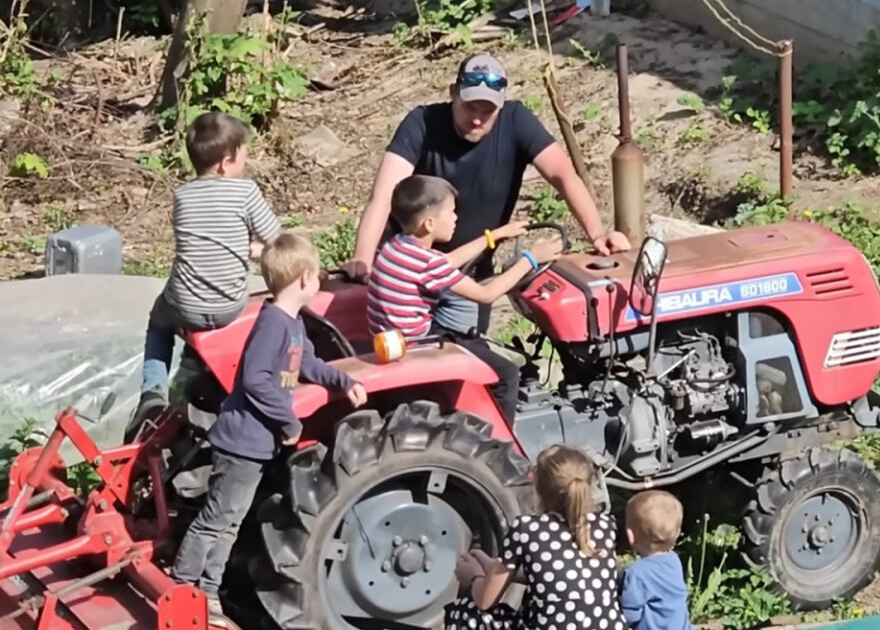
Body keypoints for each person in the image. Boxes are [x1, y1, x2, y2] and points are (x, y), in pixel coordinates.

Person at [343, 51, 631, 337]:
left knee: (472, 358)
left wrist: (597, 235)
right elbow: (383, 196)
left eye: (487, 111)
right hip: (410, 275)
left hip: (469, 274)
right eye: (471, 107)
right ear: (454, 93)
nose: (478, 119)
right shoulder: (422, 122)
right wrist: (363, 258)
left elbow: (563, 176)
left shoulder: (517, 120)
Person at [169, 232, 367, 628]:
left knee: (230, 522)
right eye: (318, 275)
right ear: (305, 278)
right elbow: (257, 380)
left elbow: (308, 365)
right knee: (217, 519)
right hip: (242, 441)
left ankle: (206, 592)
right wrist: (288, 420)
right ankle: (183, 586)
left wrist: (345, 382)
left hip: (256, 445)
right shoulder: (272, 325)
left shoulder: (293, 324)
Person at [367, 175, 561, 425]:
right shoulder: (426, 262)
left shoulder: (397, 246)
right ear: (429, 223)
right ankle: (502, 450)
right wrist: (531, 259)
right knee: (506, 374)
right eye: (451, 212)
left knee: (474, 341)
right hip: (419, 343)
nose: (456, 217)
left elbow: (447, 262)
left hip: (398, 337)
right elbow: (486, 295)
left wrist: (496, 236)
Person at [134, 111, 283, 429]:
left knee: (159, 322)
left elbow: (206, 243)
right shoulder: (245, 192)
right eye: (244, 154)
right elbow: (278, 242)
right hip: (228, 305)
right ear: (225, 162)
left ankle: (152, 392)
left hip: (185, 302)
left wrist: (245, 248)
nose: (247, 161)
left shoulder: (182, 197)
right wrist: (260, 250)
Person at [446, 444, 627, 630]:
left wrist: (473, 576)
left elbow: (485, 601)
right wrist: (487, 562)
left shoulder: (526, 528)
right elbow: (559, 573)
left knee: (466, 611)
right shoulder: (606, 525)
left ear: (539, 486)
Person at [621, 490, 695, 630]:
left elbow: (630, 614)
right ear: (678, 533)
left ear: (631, 535)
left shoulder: (636, 573)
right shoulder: (674, 561)